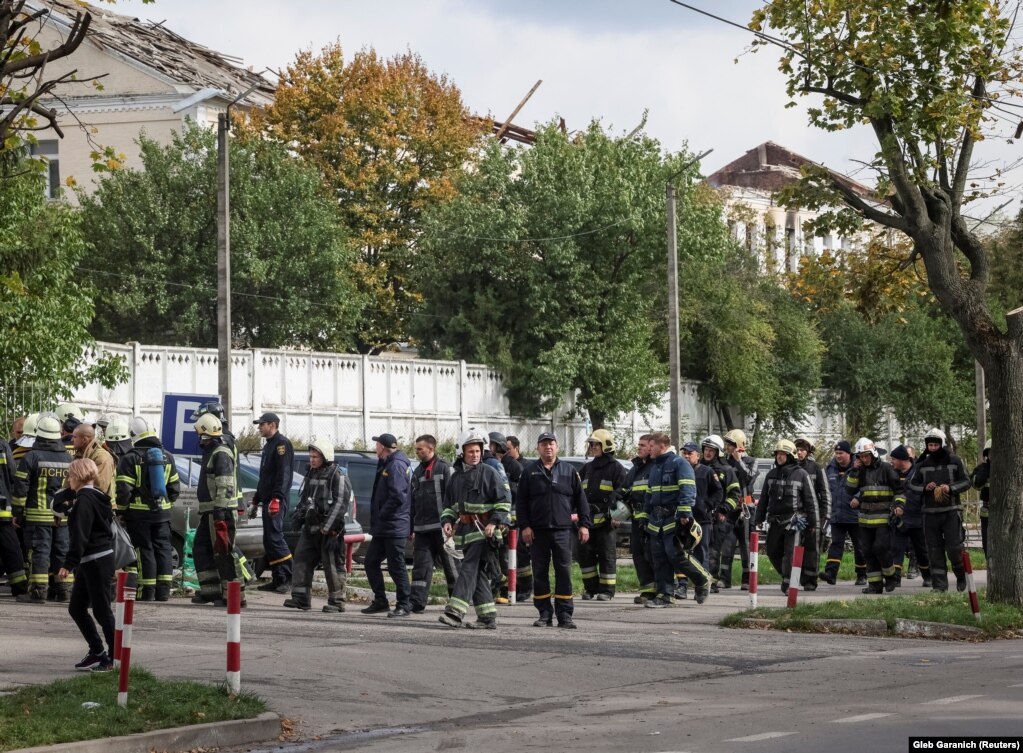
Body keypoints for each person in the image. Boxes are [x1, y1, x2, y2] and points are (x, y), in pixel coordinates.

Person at [516, 431, 591, 628]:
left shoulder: (569, 471)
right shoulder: (529, 472)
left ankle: (565, 615)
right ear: (538, 448)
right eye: (544, 444)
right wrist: (525, 526)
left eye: (551, 444)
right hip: (537, 532)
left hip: (563, 531)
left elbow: (581, 501)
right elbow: (521, 503)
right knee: (539, 573)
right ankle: (544, 614)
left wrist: (584, 524)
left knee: (564, 572)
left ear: (557, 447)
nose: (548, 447)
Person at [438, 429, 512, 629]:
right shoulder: (456, 478)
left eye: (478, 451)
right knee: (477, 573)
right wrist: (447, 520)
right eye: (471, 451)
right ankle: (487, 617)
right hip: (465, 533)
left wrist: (493, 522)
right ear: (462, 452)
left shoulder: (490, 473)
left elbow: (504, 502)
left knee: (468, 568)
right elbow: (449, 505)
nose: (475, 455)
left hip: (484, 533)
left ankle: (455, 612)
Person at [55, 458, 115, 672]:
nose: (68, 480)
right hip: (93, 560)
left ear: (79, 477)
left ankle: (114, 657)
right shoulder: (97, 495)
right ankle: (97, 652)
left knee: (101, 610)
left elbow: (81, 535)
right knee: (77, 608)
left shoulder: (84, 501)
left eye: (71, 476)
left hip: (95, 560)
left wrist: (68, 564)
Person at [115, 417, 180, 601]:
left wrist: (121, 510)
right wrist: (165, 506)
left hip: (138, 514)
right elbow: (174, 488)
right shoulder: (168, 456)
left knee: (145, 550)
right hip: (163, 514)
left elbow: (123, 491)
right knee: (163, 549)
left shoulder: (130, 458)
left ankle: (147, 591)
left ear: (134, 436)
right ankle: (164, 591)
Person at [285, 436, 352, 613]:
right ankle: (301, 598)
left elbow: (340, 504)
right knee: (301, 559)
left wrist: (328, 529)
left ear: (325, 456)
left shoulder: (338, 476)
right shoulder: (311, 474)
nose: (312, 460)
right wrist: (299, 517)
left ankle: (337, 602)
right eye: (311, 456)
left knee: (332, 566)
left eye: (316, 457)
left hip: (329, 531)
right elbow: (305, 499)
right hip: (311, 528)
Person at [644, 432, 711, 607]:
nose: (648, 449)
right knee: (659, 557)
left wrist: (684, 513)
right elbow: (649, 494)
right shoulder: (655, 467)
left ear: (662, 446)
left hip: (674, 518)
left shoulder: (679, 463)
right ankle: (665, 595)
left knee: (676, 555)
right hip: (657, 520)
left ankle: (703, 580)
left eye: (651, 446)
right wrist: (645, 515)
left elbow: (688, 489)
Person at [13, 414, 72, 603]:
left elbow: (21, 487)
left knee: (40, 552)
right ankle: (64, 590)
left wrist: (18, 513)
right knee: (62, 551)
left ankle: (38, 592)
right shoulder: (68, 458)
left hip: (38, 516)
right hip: (62, 516)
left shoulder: (31, 457)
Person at [191, 414, 249, 606]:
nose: (198, 437)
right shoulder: (213, 450)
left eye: (200, 433)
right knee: (201, 548)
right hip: (211, 512)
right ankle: (212, 591)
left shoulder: (221, 452)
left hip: (220, 512)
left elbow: (225, 485)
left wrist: (220, 512)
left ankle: (235, 596)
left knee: (224, 553)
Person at [907, 428, 972, 593]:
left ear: (942, 444)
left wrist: (950, 488)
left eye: (936, 444)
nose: (933, 448)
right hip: (929, 514)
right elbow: (912, 484)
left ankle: (960, 576)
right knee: (934, 551)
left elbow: (966, 481)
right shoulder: (921, 464)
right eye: (930, 445)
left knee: (954, 548)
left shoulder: (955, 461)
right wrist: (925, 488)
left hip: (951, 511)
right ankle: (939, 586)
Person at [754, 439, 818, 594]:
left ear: (790, 456)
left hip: (794, 521)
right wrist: (757, 519)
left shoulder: (801, 474)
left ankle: (789, 584)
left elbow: (811, 501)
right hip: (775, 521)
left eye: (783, 454)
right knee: (772, 551)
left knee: (791, 553)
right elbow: (763, 500)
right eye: (777, 454)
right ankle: (787, 576)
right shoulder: (771, 474)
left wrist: (814, 523)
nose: (779, 457)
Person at [361, 433, 413, 618]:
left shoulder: (396, 465)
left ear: (382, 447)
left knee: (396, 566)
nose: (375, 448)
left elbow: (398, 496)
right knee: (371, 562)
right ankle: (381, 601)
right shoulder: (387, 462)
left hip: (394, 525)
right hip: (385, 527)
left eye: (377, 445)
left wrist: (383, 512)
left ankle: (404, 605)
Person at [846, 437, 903, 594]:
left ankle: (891, 577)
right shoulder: (859, 471)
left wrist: (898, 505)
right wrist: (855, 470)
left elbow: (899, 491)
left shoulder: (886, 469)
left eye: (866, 456)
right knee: (868, 551)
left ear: (873, 454)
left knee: (881, 548)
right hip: (865, 518)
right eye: (861, 457)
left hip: (883, 517)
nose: (864, 459)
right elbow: (849, 490)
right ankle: (875, 585)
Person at [409, 434, 458, 613]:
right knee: (420, 568)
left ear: (431, 449)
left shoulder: (445, 469)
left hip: (443, 529)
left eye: (420, 449)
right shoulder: (418, 471)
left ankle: (456, 602)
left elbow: (454, 498)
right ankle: (416, 602)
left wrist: (452, 523)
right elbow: (412, 500)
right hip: (422, 529)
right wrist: (412, 527)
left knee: (451, 567)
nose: (417, 452)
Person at [578, 429, 626, 601]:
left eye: (596, 444)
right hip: (587, 521)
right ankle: (590, 589)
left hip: (606, 522)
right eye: (591, 444)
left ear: (606, 445)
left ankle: (607, 590)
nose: (593, 447)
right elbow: (577, 492)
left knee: (607, 556)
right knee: (586, 556)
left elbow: (624, 493)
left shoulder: (616, 469)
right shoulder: (587, 468)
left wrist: (616, 514)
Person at [251, 412, 294, 593]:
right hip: (268, 499)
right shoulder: (269, 446)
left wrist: (277, 497)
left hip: (276, 500)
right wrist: (256, 500)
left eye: (262, 424)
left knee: (275, 538)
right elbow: (265, 477)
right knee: (269, 540)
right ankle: (277, 578)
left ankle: (289, 577)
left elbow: (283, 474)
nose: (259, 427)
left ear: (273, 425)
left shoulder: (281, 444)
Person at [820, 440, 867, 586]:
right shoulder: (830, 468)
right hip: (837, 515)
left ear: (849, 454)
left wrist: (858, 498)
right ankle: (830, 574)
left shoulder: (860, 467)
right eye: (836, 453)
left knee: (859, 546)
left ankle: (862, 574)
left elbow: (866, 485)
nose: (838, 456)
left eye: (841, 453)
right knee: (836, 544)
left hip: (855, 515)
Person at [717, 429, 758, 590]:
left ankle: (746, 580)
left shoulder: (751, 461)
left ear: (739, 445)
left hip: (746, 507)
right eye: (727, 444)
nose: (727, 447)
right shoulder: (724, 463)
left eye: (731, 444)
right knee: (727, 544)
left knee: (746, 546)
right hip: (730, 508)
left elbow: (748, 478)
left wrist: (739, 460)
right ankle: (724, 579)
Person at [701, 434, 740, 592]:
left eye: (712, 450)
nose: (708, 453)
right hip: (700, 515)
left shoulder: (726, 470)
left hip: (718, 517)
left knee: (713, 550)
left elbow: (735, 494)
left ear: (718, 452)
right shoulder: (698, 468)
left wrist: (724, 509)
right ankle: (701, 579)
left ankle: (712, 581)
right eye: (706, 449)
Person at [888, 444, 931, 587]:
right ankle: (895, 579)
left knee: (921, 550)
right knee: (896, 548)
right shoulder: (892, 473)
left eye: (893, 459)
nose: (891, 461)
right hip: (899, 520)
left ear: (902, 459)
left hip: (917, 518)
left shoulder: (918, 472)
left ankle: (928, 576)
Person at [793, 437, 831, 591]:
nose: (799, 453)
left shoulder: (816, 468)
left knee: (812, 548)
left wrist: (825, 517)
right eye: (797, 450)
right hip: (796, 514)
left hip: (814, 514)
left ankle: (810, 580)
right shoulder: (791, 468)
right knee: (794, 547)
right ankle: (795, 578)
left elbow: (825, 493)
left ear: (808, 452)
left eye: (802, 450)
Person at [488, 431, 522, 604]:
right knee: (497, 554)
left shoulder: (508, 465)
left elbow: (509, 494)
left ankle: (506, 588)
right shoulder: (494, 463)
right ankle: (497, 588)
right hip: (497, 519)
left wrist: (504, 519)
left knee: (505, 556)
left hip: (504, 519)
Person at [623, 434, 656, 604]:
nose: (639, 448)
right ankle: (647, 590)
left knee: (653, 554)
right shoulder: (635, 468)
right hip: (637, 519)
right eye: (639, 445)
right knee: (638, 554)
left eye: (643, 445)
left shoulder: (656, 467)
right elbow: (626, 488)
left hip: (653, 519)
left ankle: (663, 589)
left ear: (652, 447)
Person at [684, 440, 722, 572]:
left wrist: (706, 506)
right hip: (684, 519)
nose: (686, 456)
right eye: (684, 453)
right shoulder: (679, 471)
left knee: (701, 552)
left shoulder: (707, 471)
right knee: (682, 553)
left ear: (698, 456)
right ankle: (684, 583)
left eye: (690, 453)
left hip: (702, 520)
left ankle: (703, 585)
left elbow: (718, 492)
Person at [504, 435, 532, 601]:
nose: (506, 452)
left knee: (521, 553)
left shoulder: (526, 466)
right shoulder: (503, 465)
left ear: (516, 448)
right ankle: (509, 586)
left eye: (508, 449)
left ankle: (526, 587)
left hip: (521, 518)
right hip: (507, 519)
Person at [0, 432, 27, 598]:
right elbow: (12, 474)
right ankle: (19, 587)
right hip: (2, 508)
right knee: (11, 548)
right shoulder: (2, 445)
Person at [70, 424, 116, 498]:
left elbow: (99, 487)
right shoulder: (80, 454)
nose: (71, 440)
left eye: (74, 437)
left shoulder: (102, 457)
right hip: (85, 502)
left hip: (99, 507)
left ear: (84, 440)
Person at [971, 441, 991, 557]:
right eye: (991, 452)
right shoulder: (982, 469)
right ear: (987, 454)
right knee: (988, 546)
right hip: (987, 513)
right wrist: (985, 470)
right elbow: (975, 484)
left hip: (1007, 513)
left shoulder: (1010, 468)